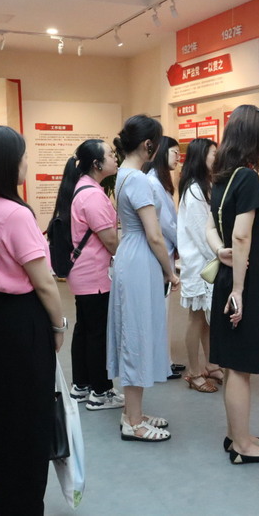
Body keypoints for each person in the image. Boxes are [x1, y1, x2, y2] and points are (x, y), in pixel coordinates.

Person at [0, 125, 66, 515]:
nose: (27, 163)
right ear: (5, 163)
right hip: (24, 320)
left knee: (2, 414)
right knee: (31, 416)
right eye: (22, 156)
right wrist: (58, 326)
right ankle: (25, 503)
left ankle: (6, 499)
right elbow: (45, 283)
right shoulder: (15, 213)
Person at [205, 105, 259, 464]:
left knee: (233, 364)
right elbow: (240, 236)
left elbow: (211, 228)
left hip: (229, 278)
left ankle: (237, 433)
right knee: (239, 368)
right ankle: (242, 447)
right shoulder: (247, 179)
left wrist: (218, 251)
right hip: (243, 284)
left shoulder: (222, 177)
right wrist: (238, 290)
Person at [109, 115, 180, 442]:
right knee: (136, 335)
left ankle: (132, 412)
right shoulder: (138, 179)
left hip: (130, 254)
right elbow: (154, 235)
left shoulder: (124, 174)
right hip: (140, 258)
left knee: (132, 331)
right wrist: (171, 271)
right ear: (148, 144)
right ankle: (134, 422)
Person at [54, 139, 122, 410]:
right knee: (97, 334)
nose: (115, 158)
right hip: (95, 274)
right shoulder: (92, 195)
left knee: (85, 329)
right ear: (97, 164)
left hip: (83, 273)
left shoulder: (82, 188)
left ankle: (81, 385)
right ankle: (100, 391)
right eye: (110, 155)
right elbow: (111, 241)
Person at [176, 138, 224, 393]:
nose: (217, 156)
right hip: (199, 265)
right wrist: (221, 255)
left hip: (208, 262)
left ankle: (211, 365)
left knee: (207, 319)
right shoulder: (194, 190)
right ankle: (194, 372)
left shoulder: (206, 186)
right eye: (213, 153)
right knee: (196, 319)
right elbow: (200, 233)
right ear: (200, 157)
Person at [142, 135, 186, 379]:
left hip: (165, 251)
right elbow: (167, 224)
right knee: (160, 312)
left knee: (164, 311)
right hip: (159, 254)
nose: (178, 158)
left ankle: (165, 360)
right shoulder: (153, 183)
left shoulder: (159, 181)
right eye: (174, 153)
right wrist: (182, 244)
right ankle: (161, 364)